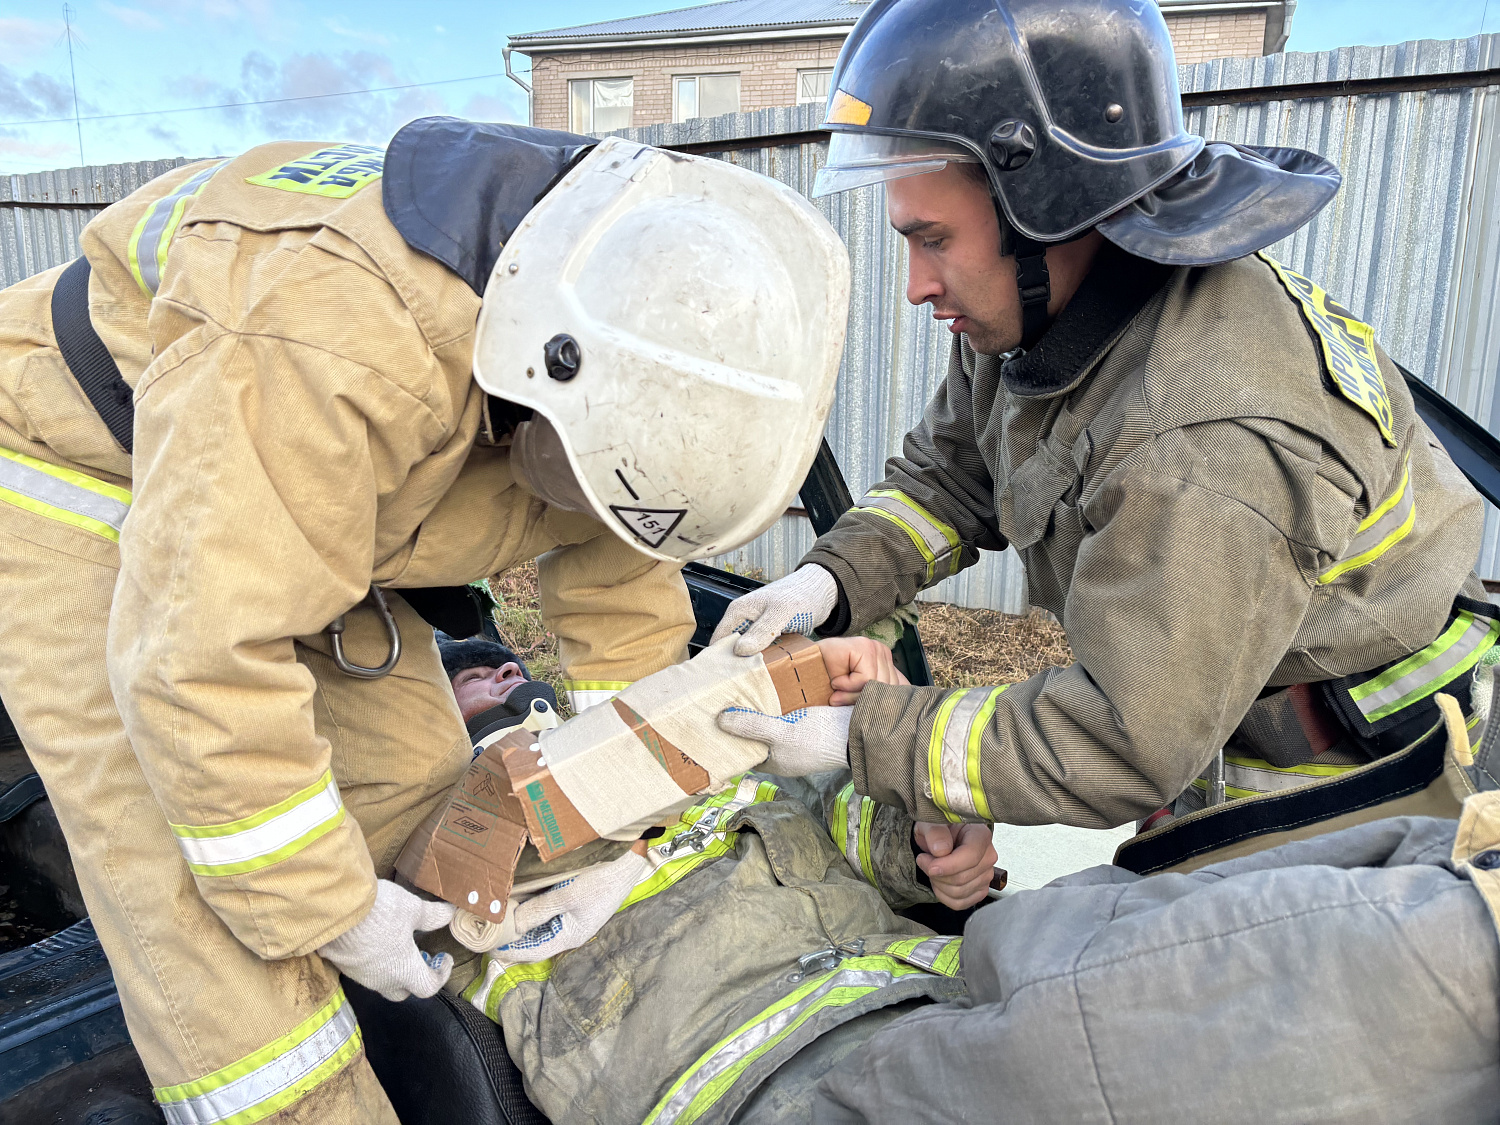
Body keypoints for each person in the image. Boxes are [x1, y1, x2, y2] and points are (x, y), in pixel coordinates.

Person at [0, 120, 850, 1123]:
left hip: (300, 491)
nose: (581, 514)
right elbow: (198, 667)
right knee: (201, 890)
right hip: (83, 460)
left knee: (417, 801)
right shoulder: (340, 342)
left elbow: (622, 610)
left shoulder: (637, 342)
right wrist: (332, 909)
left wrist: (631, 830)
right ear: (547, 376)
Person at [716, 0, 1495, 877]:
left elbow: (1122, 738)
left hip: (1354, 770)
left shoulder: (1201, 435)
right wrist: (825, 580)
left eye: (934, 239)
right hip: (1212, 700)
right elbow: (951, 478)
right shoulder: (1035, 318)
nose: (916, 285)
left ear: (1047, 207)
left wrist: (868, 736)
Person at [433, 632, 1000, 1125]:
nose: (507, 671)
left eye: (509, 665)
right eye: (474, 677)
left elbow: (831, 812)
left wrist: (924, 841)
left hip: (933, 990)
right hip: (748, 1077)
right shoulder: (445, 858)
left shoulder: (683, 749)